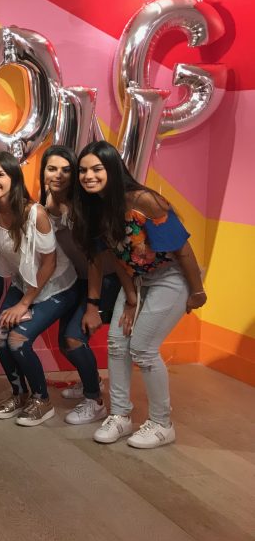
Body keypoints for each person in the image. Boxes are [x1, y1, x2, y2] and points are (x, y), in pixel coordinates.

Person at [74, 141, 206, 449]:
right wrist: (131, 298)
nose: (88, 176)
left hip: (171, 275)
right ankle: (120, 416)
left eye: (97, 169)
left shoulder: (144, 201)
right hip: (138, 278)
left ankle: (162, 423)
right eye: (83, 170)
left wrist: (197, 290)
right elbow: (120, 257)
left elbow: (181, 250)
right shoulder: (96, 207)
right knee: (118, 344)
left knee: (144, 348)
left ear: (114, 170)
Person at [0, 151, 78, 426]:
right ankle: (19, 393)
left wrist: (24, 304)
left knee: (17, 340)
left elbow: (50, 263)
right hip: (26, 284)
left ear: (13, 177)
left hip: (56, 287)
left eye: (0, 174)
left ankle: (42, 399)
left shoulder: (34, 213)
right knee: (0, 333)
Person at [38, 145, 119, 425]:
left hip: (104, 279)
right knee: (65, 343)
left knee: (74, 338)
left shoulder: (83, 207)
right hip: (78, 281)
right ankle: (91, 381)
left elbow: (95, 259)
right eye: (52, 168)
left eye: (66, 169)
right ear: (43, 172)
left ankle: (95, 400)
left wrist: (93, 305)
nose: (58, 175)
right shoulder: (44, 206)